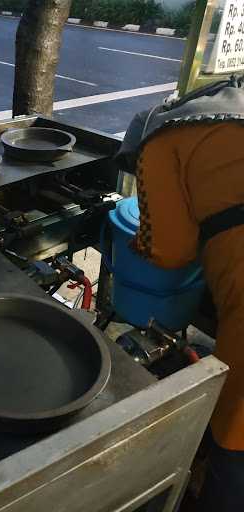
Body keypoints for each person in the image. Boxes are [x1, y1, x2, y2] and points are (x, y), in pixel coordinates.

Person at [116, 77, 244, 511]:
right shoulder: (223, 114)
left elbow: (170, 253)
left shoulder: (158, 140)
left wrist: (140, 243)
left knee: (239, 428)